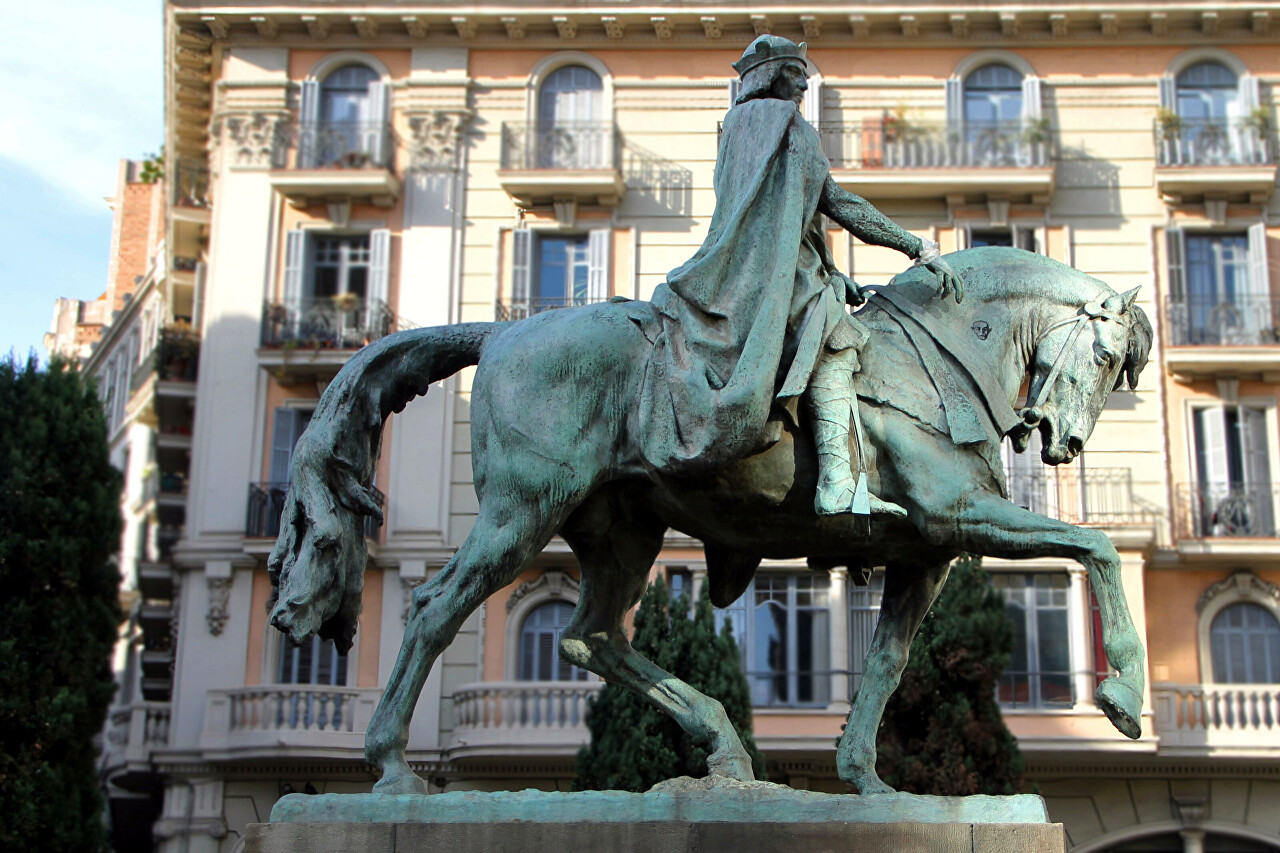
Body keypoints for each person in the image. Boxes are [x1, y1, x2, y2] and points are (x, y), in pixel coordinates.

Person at [638, 34, 962, 517]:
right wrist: (916, 246)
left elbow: (786, 217)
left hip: (743, 277)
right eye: (796, 73)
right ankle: (837, 481)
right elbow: (837, 203)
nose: (804, 84)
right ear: (772, 76)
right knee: (836, 346)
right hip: (779, 284)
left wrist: (830, 270)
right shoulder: (787, 123)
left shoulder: (734, 128)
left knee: (832, 313)